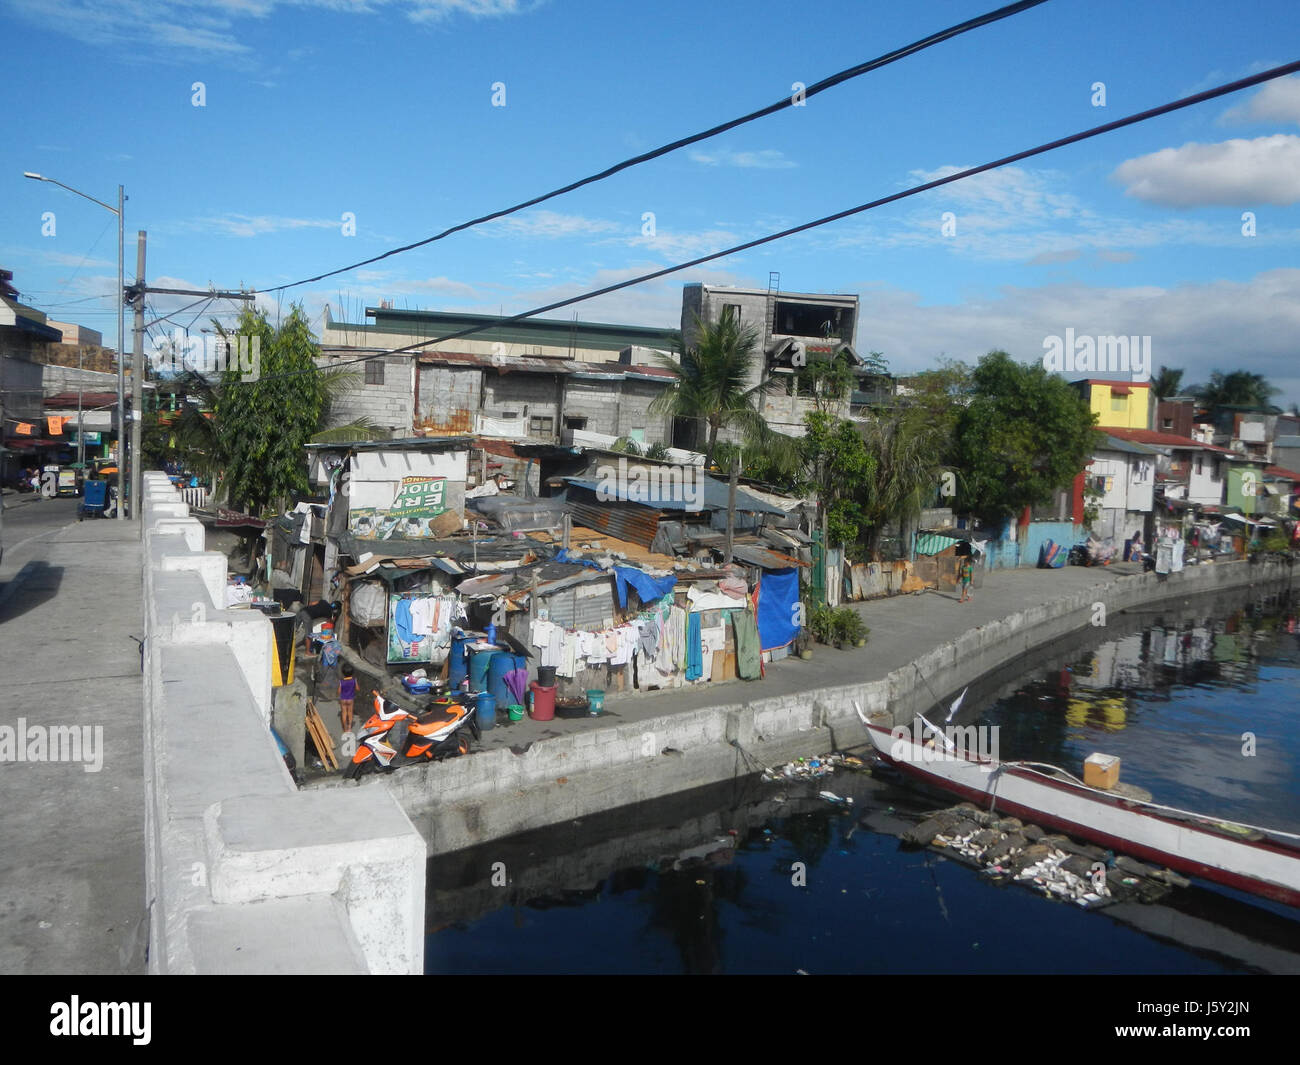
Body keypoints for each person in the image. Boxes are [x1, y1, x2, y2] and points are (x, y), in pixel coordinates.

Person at [339, 664, 357, 732]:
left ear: (343, 673)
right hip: (350, 699)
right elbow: (357, 688)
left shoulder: (341, 681)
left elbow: (339, 691)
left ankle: (344, 728)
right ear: (352, 673)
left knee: (344, 713)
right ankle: (349, 728)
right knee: (350, 712)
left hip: (343, 699)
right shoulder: (354, 680)